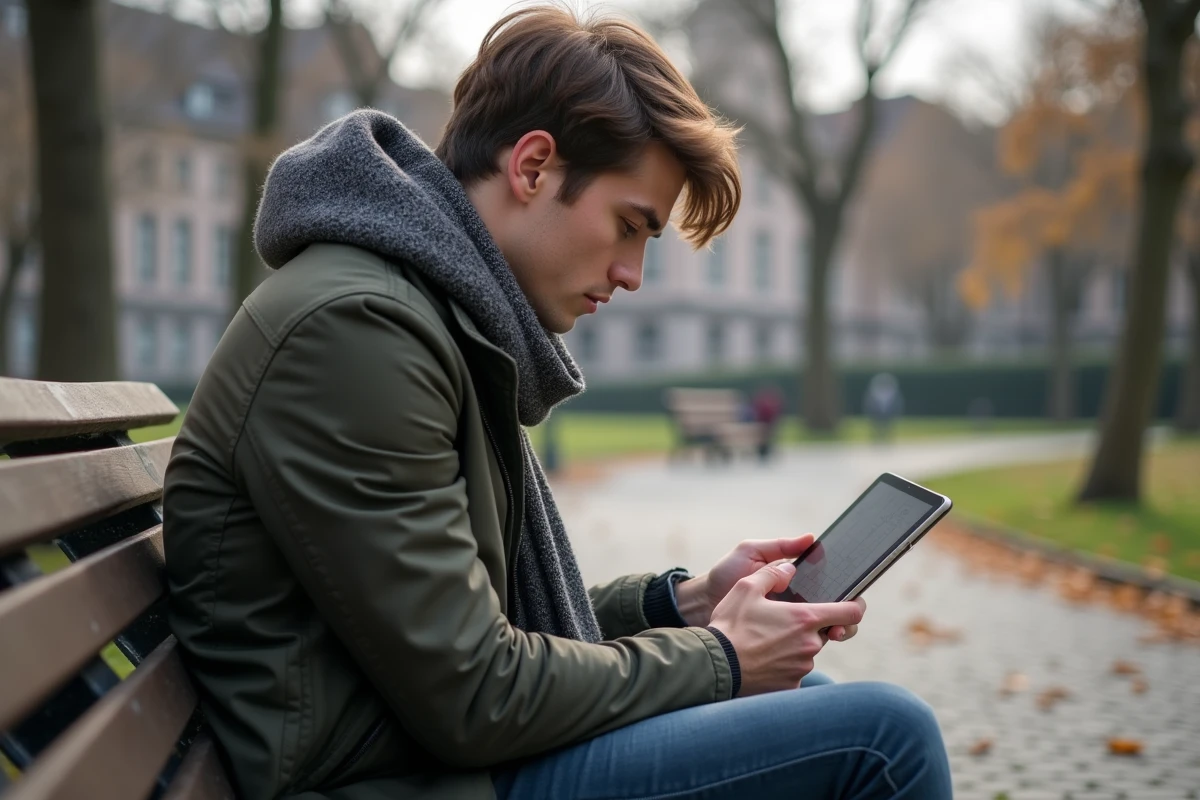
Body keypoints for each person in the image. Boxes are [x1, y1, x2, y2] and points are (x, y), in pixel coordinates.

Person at [162, 7, 951, 799]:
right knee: (885, 736)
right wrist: (723, 656)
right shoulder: (355, 334)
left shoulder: (427, 314)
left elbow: (487, 633)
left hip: (428, 755)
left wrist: (685, 604)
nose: (633, 274)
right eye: (629, 226)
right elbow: (475, 693)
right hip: (403, 777)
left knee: (808, 699)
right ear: (533, 166)